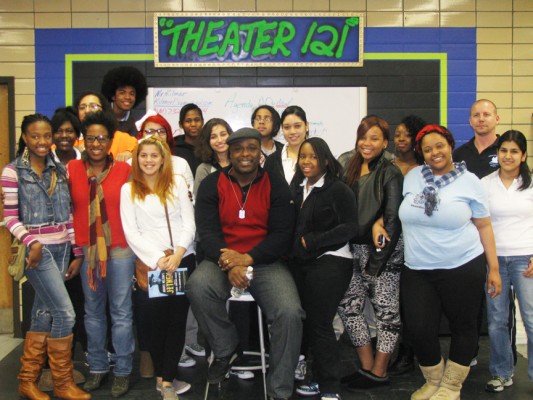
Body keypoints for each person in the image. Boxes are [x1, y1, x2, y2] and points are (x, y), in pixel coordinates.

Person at [186, 127, 304, 400]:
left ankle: (279, 390)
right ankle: (227, 347)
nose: (245, 154)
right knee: (197, 286)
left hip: (264, 262)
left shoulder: (276, 184)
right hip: (221, 259)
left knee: (289, 312)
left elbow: (282, 234)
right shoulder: (212, 183)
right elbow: (207, 230)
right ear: (230, 152)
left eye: (252, 148)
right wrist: (231, 263)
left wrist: (247, 259)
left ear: (260, 153)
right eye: (238, 149)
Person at [399, 124, 501, 400]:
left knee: (463, 326)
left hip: (462, 265)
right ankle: (433, 380)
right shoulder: (412, 177)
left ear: (450, 146)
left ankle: (451, 386)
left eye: (440, 146)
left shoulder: (470, 182)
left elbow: (484, 226)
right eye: (428, 149)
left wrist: (493, 268)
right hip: (417, 268)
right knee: (419, 328)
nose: (435, 153)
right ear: (421, 152)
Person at [1, 113, 90, 400]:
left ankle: (28, 381)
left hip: (63, 249)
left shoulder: (59, 171)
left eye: (46, 136)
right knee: (65, 314)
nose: (42, 141)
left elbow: (67, 216)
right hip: (38, 252)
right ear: (25, 138)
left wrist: (77, 252)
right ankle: (62, 382)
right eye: (35, 136)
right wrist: (31, 241)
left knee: (42, 313)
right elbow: (10, 218)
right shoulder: (13, 172)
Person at [121, 136, 196, 399]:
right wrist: (158, 259)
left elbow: (190, 223)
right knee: (154, 323)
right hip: (151, 264)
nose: (149, 160)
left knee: (176, 321)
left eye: (154, 155)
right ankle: (162, 377)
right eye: (144, 156)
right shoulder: (128, 190)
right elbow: (131, 232)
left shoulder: (176, 183)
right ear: (136, 159)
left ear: (163, 158)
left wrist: (178, 254)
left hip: (181, 260)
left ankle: (166, 380)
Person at [67, 111, 135, 398]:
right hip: (87, 252)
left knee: (121, 312)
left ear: (111, 141)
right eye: (91, 137)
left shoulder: (124, 171)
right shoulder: (71, 169)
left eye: (102, 138)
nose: (96, 143)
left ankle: (122, 371)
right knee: (92, 313)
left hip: (119, 249)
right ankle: (96, 367)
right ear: (84, 139)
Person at [336, 116, 404, 391]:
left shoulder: (391, 171)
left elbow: (392, 220)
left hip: (381, 251)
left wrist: (376, 263)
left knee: (386, 313)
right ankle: (366, 365)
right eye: (363, 137)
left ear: (385, 143)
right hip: (351, 249)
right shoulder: (350, 166)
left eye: (375, 138)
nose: (367, 143)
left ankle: (380, 370)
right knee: (349, 307)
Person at [289, 137, 357, 400]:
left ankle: (330, 387)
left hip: (332, 260)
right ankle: (311, 372)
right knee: (306, 320)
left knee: (320, 323)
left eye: (313, 157)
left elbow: (350, 227)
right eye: (303, 156)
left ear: (326, 160)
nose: (306, 161)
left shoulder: (338, 189)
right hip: (302, 263)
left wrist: (314, 240)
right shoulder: (297, 188)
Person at [482, 130, 533, 391]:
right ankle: (502, 372)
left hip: (527, 260)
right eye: (503, 151)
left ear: (523, 155)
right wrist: (490, 263)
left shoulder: (532, 183)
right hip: (495, 262)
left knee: (532, 318)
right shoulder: (485, 184)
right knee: (497, 320)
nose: (508, 156)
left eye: (514, 151)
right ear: (497, 154)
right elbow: (479, 223)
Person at [385, 114, 427, 376]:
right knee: (390, 301)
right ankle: (390, 349)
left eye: (406, 134)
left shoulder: (426, 169)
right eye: (397, 134)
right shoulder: (386, 164)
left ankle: (409, 352)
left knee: (411, 302)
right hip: (388, 240)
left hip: (417, 241)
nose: (400, 139)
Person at [73, 91, 137, 161]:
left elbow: (141, 150)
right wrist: (74, 150)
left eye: (93, 106)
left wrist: (130, 153)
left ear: (104, 110)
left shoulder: (120, 138)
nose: (87, 110)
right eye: (82, 107)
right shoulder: (71, 140)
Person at [453, 99, 500, 178]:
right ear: (470, 121)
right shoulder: (459, 154)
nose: (481, 119)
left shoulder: (506, 151)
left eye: (486, 114)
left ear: (497, 119)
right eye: (476, 115)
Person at [264, 105, 309, 185]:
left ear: (307, 126)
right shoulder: (271, 161)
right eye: (287, 127)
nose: (292, 131)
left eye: (297, 126)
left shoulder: (319, 157)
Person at [101, 66, 148, 137]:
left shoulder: (137, 124)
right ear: (113, 96)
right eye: (122, 92)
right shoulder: (101, 117)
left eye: (132, 93)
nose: (127, 97)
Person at [193, 117, 233, 198]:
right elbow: (200, 200)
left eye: (223, 134)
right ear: (207, 141)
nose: (219, 140)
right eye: (213, 137)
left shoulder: (240, 164)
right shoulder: (204, 169)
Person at [173, 103, 204, 176]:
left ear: (202, 122)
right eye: (188, 121)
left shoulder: (210, 146)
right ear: (181, 124)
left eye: (197, 120)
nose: (193, 124)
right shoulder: (173, 148)